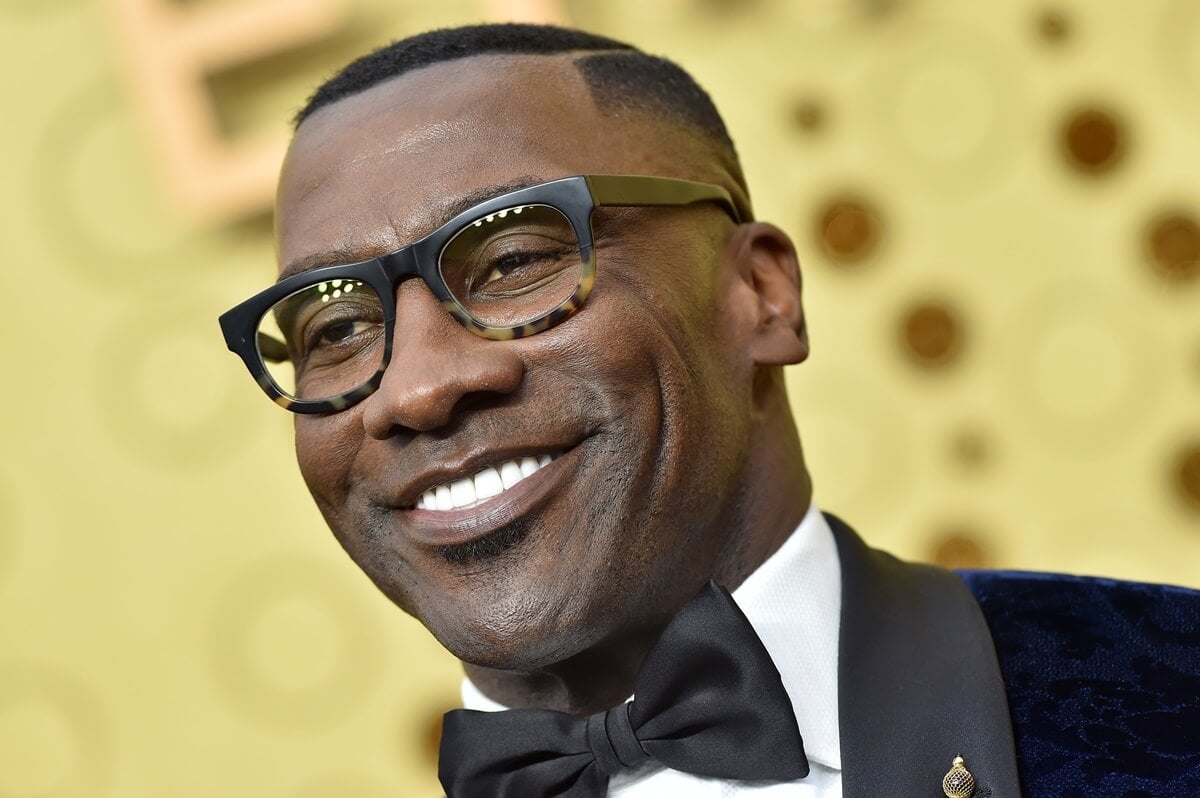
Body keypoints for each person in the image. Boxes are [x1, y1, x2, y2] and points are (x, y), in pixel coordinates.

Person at [218, 23, 1200, 798]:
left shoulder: (1169, 692)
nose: (419, 389)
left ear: (763, 294)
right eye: (335, 329)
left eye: (515, 261)